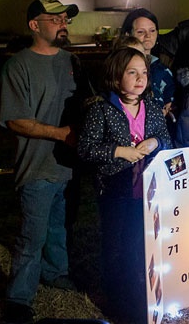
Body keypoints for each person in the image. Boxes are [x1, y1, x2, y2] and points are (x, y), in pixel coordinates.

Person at [0, 0, 81, 324]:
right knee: (32, 236)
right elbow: (15, 120)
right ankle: (18, 299)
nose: (63, 24)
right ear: (34, 25)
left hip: (67, 167)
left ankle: (56, 273)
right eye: (55, 19)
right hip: (36, 167)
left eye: (65, 19)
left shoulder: (72, 61)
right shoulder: (18, 66)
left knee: (58, 226)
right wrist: (62, 134)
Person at [77, 47, 172, 322]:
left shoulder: (152, 108)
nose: (140, 78)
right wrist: (120, 151)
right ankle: (117, 300)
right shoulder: (102, 110)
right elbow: (86, 149)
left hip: (147, 190)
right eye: (132, 72)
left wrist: (155, 142)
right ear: (116, 77)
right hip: (116, 190)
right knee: (116, 245)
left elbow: (167, 139)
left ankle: (140, 292)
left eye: (143, 72)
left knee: (139, 244)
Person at [120, 8, 176, 126]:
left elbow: (170, 96)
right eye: (140, 32)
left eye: (152, 30)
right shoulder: (118, 66)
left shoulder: (163, 69)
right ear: (128, 34)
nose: (148, 36)